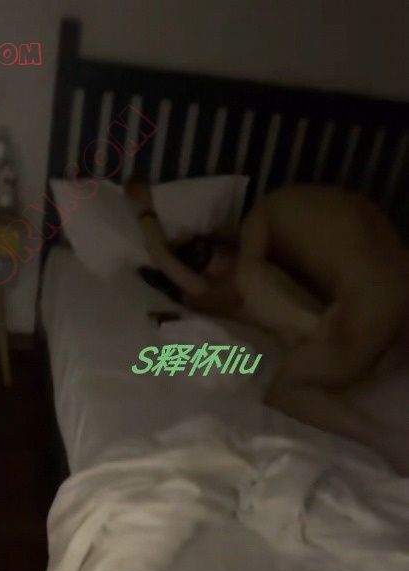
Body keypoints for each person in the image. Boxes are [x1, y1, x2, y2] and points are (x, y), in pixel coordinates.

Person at [126, 179, 409, 475]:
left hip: (373, 301)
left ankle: (390, 442)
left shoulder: (257, 229)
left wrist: (145, 215)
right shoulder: (301, 222)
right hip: (395, 299)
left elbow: (205, 275)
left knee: (281, 394)